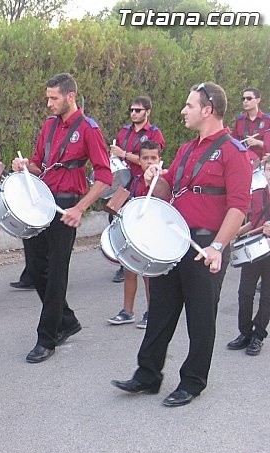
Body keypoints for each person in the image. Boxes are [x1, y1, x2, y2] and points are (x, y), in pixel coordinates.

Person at [111, 82, 252, 407]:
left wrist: (218, 246)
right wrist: (153, 179)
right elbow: (168, 187)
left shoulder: (234, 152)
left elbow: (238, 206)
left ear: (208, 109)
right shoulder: (188, 149)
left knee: (201, 317)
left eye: (189, 106)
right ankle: (148, 374)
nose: (183, 111)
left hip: (206, 243)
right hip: (174, 239)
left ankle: (193, 381)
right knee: (160, 308)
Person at [11, 72, 112, 364]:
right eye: (47, 97)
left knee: (56, 273)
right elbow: (37, 164)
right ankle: (65, 320)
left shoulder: (89, 129)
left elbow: (104, 176)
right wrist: (23, 166)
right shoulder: (48, 126)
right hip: (41, 203)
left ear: (70, 96)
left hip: (67, 206)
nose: (49, 103)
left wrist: (80, 208)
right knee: (35, 267)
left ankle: (47, 337)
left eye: (53, 98)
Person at [108, 96, 166, 283]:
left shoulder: (154, 134)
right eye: (132, 110)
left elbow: (150, 159)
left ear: (147, 112)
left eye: (138, 110)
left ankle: (138, 259)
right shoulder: (124, 131)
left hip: (143, 182)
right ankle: (122, 261)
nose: (133, 113)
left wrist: (124, 154)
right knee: (115, 216)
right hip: (124, 181)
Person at [107, 140, 162, 328]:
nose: (149, 162)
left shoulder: (162, 181)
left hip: (152, 235)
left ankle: (151, 312)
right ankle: (127, 311)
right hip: (135, 233)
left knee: (148, 276)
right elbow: (123, 200)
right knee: (130, 271)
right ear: (139, 161)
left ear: (159, 159)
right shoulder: (136, 180)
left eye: (153, 158)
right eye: (145, 158)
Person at [227, 164, 270, 356]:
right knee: (245, 292)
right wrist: (237, 232)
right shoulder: (258, 193)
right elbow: (255, 220)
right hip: (256, 249)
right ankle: (245, 332)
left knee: (267, 297)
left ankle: (258, 336)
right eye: (268, 169)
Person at [233, 87, 269, 162]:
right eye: (243, 99)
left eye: (249, 98)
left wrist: (259, 143)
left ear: (258, 100)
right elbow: (235, 143)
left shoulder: (267, 120)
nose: (245, 101)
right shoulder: (240, 121)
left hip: (264, 164)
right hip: (243, 162)